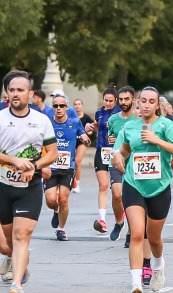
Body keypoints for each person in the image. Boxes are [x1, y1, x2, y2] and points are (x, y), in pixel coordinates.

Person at [0, 71, 57, 293]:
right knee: (8, 242)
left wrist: (33, 165)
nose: (15, 94)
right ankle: (17, 264)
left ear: (30, 94)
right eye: (11, 90)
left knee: (22, 236)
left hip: (30, 187)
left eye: (20, 90)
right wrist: (13, 161)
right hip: (4, 186)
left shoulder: (42, 120)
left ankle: (16, 286)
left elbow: (52, 154)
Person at [111, 87, 173, 293]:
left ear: (157, 105)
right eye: (143, 101)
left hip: (159, 187)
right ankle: (136, 284)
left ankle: (158, 263)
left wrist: (157, 141)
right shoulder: (130, 127)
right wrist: (118, 156)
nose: (146, 105)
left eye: (150, 101)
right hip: (133, 183)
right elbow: (124, 149)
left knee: (153, 237)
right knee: (137, 232)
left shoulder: (166, 126)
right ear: (138, 103)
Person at [45, 93, 88, 241]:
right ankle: (56, 210)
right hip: (50, 167)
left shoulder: (75, 122)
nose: (58, 108)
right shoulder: (47, 122)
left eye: (61, 106)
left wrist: (86, 140)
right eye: (55, 106)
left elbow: (85, 139)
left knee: (63, 199)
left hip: (67, 167)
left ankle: (61, 229)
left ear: (66, 107)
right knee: (51, 200)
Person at [104, 87, 136, 246]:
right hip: (116, 161)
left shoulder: (138, 119)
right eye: (121, 99)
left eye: (126, 99)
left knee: (130, 198)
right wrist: (110, 140)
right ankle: (119, 222)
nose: (123, 102)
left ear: (133, 100)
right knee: (117, 195)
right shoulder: (113, 119)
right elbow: (110, 137)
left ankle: (131, 231)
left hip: (134, 162)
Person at [89, 88, 118, 235]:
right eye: (105, 100)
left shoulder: (120, 113)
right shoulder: (99, 112)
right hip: (101, 151)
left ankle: (120, 217)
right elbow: (96, 127)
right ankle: (102, 219)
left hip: (117, 153)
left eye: (110, 101)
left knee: (117, 190)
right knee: (103, 185)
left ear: (116, 100)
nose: (107, 103)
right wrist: (90, 128)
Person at [72, 98, 93, 193]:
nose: (77, 106)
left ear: (82, 106)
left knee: (77, 161)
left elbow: (92, 131)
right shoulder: (70, 117)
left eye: (79, 104)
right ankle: (71, 181)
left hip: (82, 142)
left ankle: (77, 183)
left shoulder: (87, 118)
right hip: (72, 141)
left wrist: (89, 131)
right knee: (70, 161)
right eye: (75, 104)